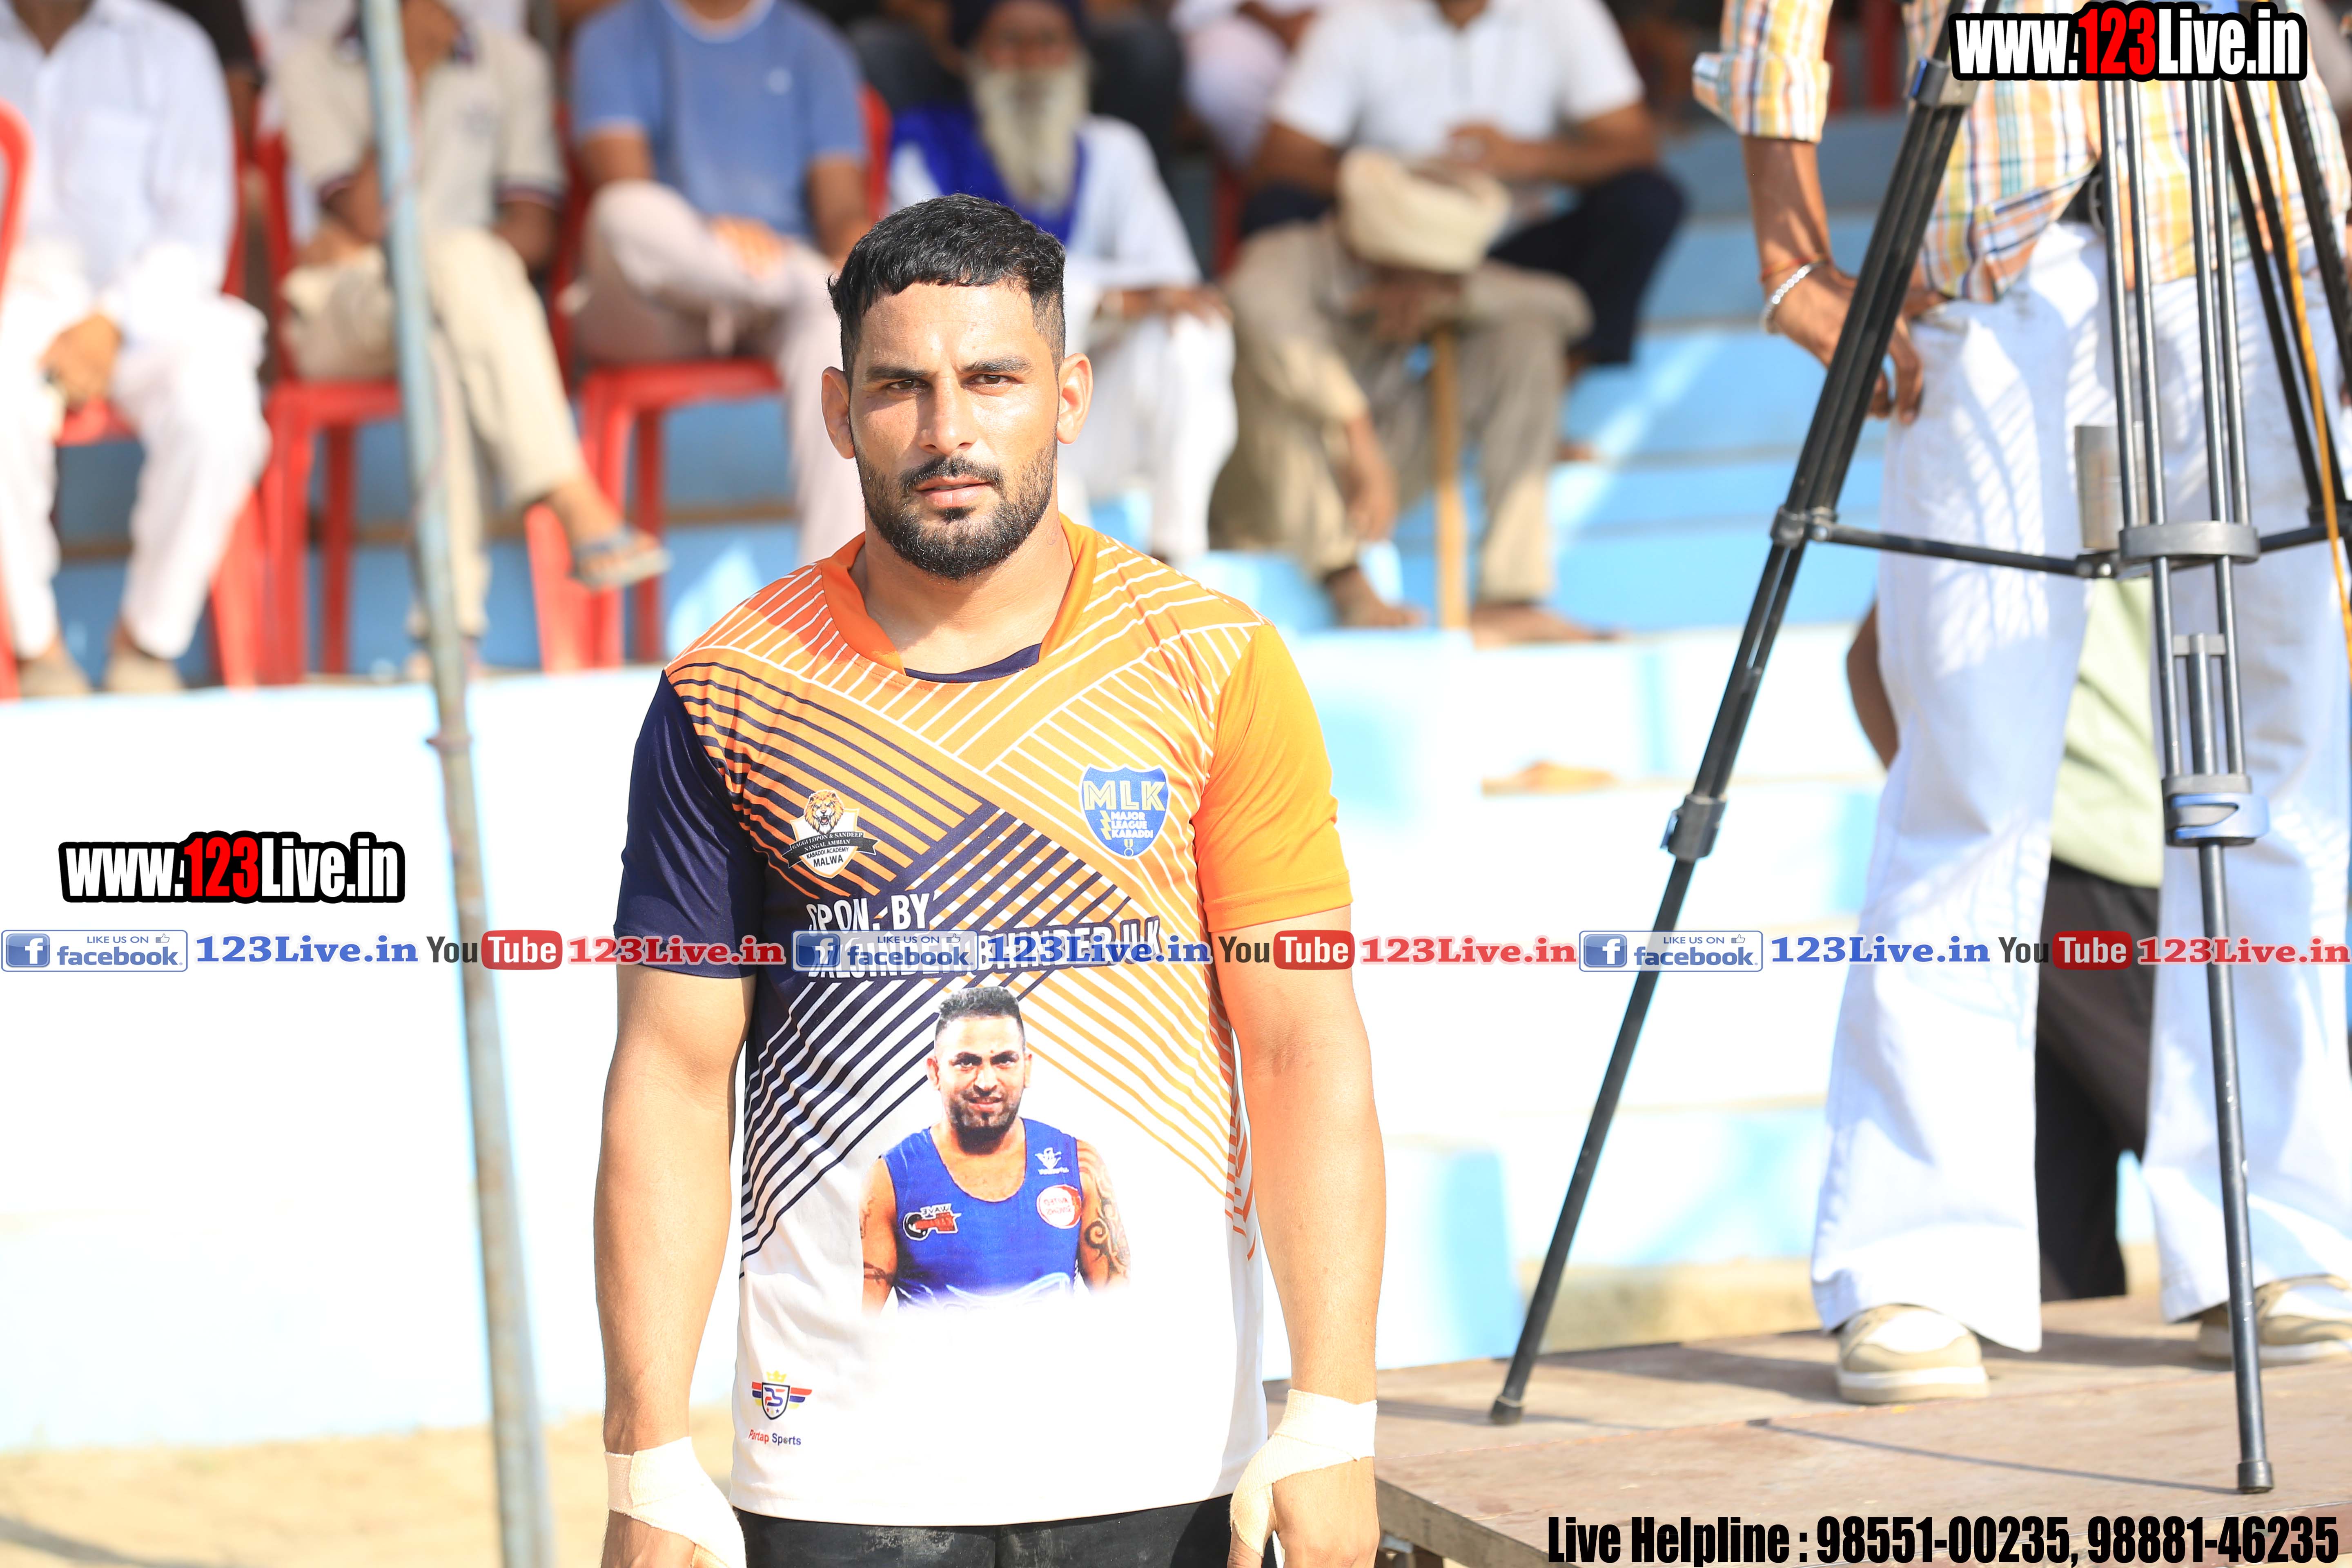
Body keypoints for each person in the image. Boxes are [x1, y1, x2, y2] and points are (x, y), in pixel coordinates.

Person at [599, 194, 1383, 1567]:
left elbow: (1303, 1043)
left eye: (993, 380)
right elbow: (670, 1074)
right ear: (839, 411)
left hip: (1160, 1461)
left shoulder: (1214, 664)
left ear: (1069, 396)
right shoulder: (727, 694)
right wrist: (646, 1457)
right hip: (838, 1480)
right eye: (899, 386)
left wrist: (1331, 1418)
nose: (947, 429)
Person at [1705, 0, 2352, 1400]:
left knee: (2284, 766)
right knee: (1971, 768)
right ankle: (1916, 1256)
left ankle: (2281, 1232)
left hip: (2257, 225)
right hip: (2004, 232)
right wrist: (1783, 242)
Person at [275, 0, 667, 670]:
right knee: (460, 261)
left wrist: (450, 267)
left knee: (439, 347)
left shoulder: (513, 64)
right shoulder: (309, 67)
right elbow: (369, 215)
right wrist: (406, 79)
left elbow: (535, 232)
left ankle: (448, 636)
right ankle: (568, 492)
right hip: (347, 307)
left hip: (463, 309)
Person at [1846, 582, 2163, 1306]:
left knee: (2055, 1214)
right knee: (2246, 1171)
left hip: (2065, 863)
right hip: (2107, 862)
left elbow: (1865, 657)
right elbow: (1868, 657)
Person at [889, 0, 1234, 564]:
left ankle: (1176, 555)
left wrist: (1100, 299)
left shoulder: (1114, 149)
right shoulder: (927, 152)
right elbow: (943, 293)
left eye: (1050, 41)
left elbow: (1173, 286)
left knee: (1196, 333)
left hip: (1103, 419)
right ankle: (1064, 581)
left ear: (1077, 56)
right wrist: (1113, 299)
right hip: (981, 425)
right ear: (972, 55)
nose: (1032, 61)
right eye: (1010, 41)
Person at [0, 0, 270, 697]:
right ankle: (36, 650)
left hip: (155, 309)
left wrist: (112, 321)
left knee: (219, 406)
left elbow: (198, 230)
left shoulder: (170, 48)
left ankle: (148, 643)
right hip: (15, 311)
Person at [1214, 150, 1592, 639]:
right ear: (1384, 258)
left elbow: (1569, 309)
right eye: (1440, 276)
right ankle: (1345, 582)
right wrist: (1355, 428)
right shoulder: (1282, 258)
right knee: (1265, 370)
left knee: (1524, 337)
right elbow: (1266, 321)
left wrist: (1454, 301)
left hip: (1375, 479)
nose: (1450, 281)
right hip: (1263, 491)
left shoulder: (1433, 276)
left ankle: (1508, 598)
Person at [566, 0, 873, 565]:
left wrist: (849, 252)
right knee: (622, 211)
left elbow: (843, 208)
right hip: (659, 302)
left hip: (775, 305)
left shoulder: (814, 46)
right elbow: (623, 179)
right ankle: (816, 283)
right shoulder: (613, 35)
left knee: (832, 340)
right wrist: (720, 239)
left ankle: (838, 594)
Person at [1249, 0, 1685, 387]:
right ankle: (1329, 387)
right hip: (1378, 257)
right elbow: (1278, 162)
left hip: (1509, 250)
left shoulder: (1564, 10)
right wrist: (1395, 188)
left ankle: (1556, 382)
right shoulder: (1356, 18)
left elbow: (1636, 148)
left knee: (1647, 201)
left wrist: (1529, 158)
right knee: (1276, 209)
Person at [861, 987, 1129, 1310]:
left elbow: (1121, 1318)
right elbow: (851, 1327)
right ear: (935, 1072)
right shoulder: (891, 1180)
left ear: (1026, 1068)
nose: (986, 1082)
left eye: (1004, 1061)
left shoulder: (1079, 1166)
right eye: (966, 1062)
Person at [1173, 0, 1318, 171]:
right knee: (1221, 73)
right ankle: (1275, 175)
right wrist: (1275, 22)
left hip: (1334, 21)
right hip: (1240, 17)